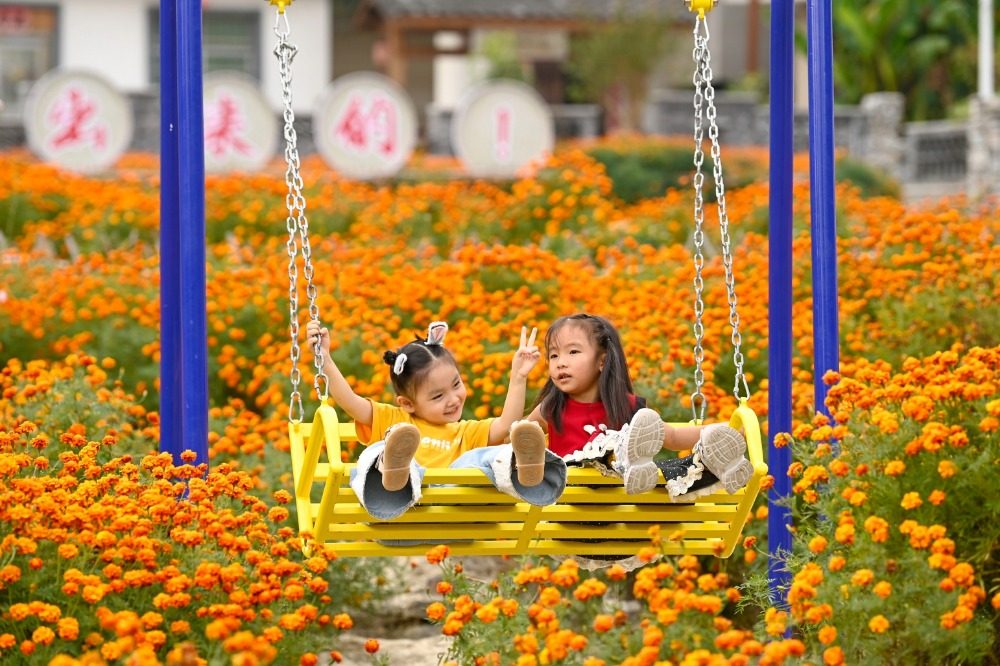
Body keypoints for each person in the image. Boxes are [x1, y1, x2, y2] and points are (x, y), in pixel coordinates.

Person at [306, 319, 567, 520]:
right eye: (438, 396)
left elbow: (506, 424)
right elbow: (350, 401)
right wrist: (325, 359)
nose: (453, 399)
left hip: (456, 510)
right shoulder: (395, 420)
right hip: (398, 511)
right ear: (407, 404)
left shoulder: (465, 432)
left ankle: (520, 463)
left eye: (456, 384)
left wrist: (518, 377)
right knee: (377, 451)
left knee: (482, 457)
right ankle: (397, 469)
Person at [514, 313, 753, 499]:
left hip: (624, 507)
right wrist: (519, 378)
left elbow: (673, 436)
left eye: (573, 352)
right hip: (573, 503)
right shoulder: (552, 408)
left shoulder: (628, 408)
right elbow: (515, 440)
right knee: (600, 455)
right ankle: (627, 457)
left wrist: (723, 431)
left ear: (602, 360)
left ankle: (718, 460)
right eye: (553, 356)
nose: (560, 363)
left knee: (676, 471)